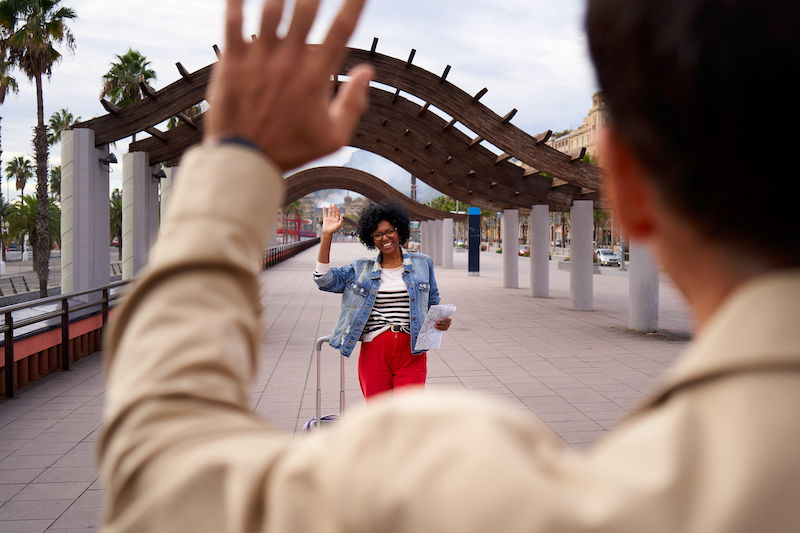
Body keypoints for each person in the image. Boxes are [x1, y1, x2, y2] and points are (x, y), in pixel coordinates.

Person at [100, 0, 800, 531]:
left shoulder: (495, 487)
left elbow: (165, 480)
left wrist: (234, 165)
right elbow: (325, 279)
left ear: (624, 187)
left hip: (410, 363)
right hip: (379, 351)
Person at [313, 201, 451, 399]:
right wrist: (327, 235)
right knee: (380, 416)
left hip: (412, 352)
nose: (385, 238)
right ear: (372, 239)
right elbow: (324, 280)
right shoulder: (362, 269)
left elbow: (433, 304)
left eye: (389, 231)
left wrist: (441, 322)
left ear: (400, 232)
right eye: (378, 234)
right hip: (374, 352)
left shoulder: (423, 263)